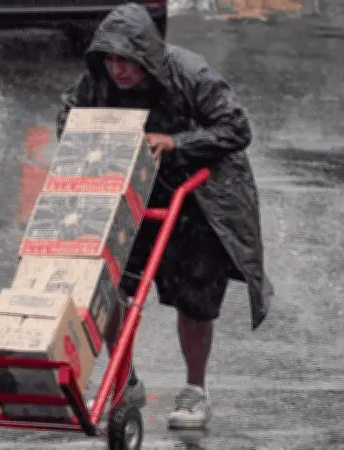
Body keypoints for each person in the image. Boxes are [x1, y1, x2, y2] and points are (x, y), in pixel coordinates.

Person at [55, 2, 274, 430]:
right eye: (110, 59)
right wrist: (88, 140)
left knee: (195, 299)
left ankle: (195, 389)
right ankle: (124, 379)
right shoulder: (99, 79)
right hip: (131, 192)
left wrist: (177, 143)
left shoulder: (190, 74)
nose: (118, 70)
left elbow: (236, 128)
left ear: (147, 56)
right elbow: (70, 113)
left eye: (127, 60)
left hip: (196, 197)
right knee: (110, 288)